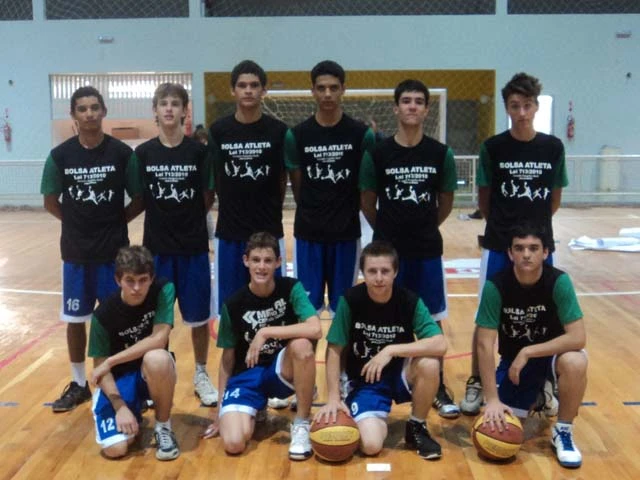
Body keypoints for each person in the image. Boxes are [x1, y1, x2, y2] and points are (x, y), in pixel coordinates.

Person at [461, 73, 569, 416]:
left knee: (546, 315)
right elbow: (485, 199)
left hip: (539, 245)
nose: (521, 113)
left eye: (527, 105)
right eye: (514, 106)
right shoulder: (493, 147)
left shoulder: (553, 147)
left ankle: (544, 382)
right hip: (498, 244)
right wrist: (505, 230)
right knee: (486, 315)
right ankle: (477, 380)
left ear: (536, 107)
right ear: (506, 108)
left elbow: (553, 200)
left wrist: (534, 234)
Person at [359, 79, 459, 419]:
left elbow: (445, 202)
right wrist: (387, 232)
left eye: (418, 101)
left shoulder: (440, 154)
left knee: (432, 318)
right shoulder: (378, 153)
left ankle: (437, 384)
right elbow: (367, 201)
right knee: (385, 317)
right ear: (396, 108)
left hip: (426, 250)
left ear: (427, 109)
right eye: (406, 100)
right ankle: (379, 379)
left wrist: (425, 226)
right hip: (389, 253)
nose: (412, 106)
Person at [40, 86, 142, 413]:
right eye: (82, 109)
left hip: (113, 254)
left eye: (94, 107)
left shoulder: (122, 154)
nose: (89, 114)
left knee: (118, 319)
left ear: (103, 111)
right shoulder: (60, 156)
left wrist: (116, 221)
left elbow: (140, 198)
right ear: (73, 114)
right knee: (75, 319)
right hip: (76, 253)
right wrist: (76, 223)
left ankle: (124, 380)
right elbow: (50, 201)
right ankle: (79, 383)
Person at [315, 241, 446, 460]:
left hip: (400, 374)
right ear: (362, 272)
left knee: (430, 363)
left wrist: (390, 350)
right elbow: (334, 349)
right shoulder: (351, 300)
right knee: (371, 445)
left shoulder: (409, 300)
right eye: (372, 271)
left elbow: (440, 344)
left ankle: (417, 426)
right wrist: (333, 398)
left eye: (385, 271)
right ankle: (372, 416)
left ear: (395, 272)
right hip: (366, 381)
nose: (378, 278)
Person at [130, 83, 218, 407]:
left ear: (184, 110)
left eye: (175, 103)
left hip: (192, 248)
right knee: (158, 320)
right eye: (163, 103)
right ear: (155, 110)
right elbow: (139, 198)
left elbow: (207, 196)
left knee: (198, 318)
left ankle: (201, 373)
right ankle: (158, 374)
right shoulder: (143, 154)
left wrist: (187, 221)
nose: (169, 108)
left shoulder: (199, 153)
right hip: (157, 250)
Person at [202, 232, 322, 460]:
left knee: (302, 345)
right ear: (246, 261)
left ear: (278, 262)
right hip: (246, 376)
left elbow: (316, 328)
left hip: (279, 371)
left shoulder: (291, 288)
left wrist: (265, 332)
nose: (261, 267)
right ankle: (256, 407)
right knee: (234, 443)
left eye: (268, 260)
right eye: (256, 260)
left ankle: (301, 423)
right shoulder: (233, 304)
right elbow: (227, 359)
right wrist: (220, 410)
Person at [476, 224, 587, 468]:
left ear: (545, 252)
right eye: (519, 248)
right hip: (515, 365)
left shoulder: (558, 281)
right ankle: (541, 394)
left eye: (534, 248)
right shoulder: (496, 286)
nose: (526, 254)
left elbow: (578, 337)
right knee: (505, 429)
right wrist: (491, 399)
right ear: (510, 253)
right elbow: (484, 344)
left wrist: (528, 351)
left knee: (575, 361)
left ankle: (563, 430)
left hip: (551, 357)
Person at [286, 60, 375, 318]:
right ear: (312, 91)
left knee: (344, 313)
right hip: (308, 235)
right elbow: (298, 187)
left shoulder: (361, 134)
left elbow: (365, 187)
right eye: (321, 88)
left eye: (333, 88)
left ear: (343, 89)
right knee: (306, 313)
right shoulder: (297, 135)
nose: (327, 94)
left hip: (346, 235)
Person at [208, 60, 288, 317]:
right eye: (242, 85)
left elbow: (281, 178)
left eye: (254, 85)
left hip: (269, 231)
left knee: (273, 309)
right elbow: (217, 177)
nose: (248, 90)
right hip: (230, 232)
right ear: (233, 90)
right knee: (229, 309)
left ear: (263, 90)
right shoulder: (218, 131)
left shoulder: (278, 131)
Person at [88, 245, 180, 461]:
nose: (137, 288)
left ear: (151, 278)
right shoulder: (103, 315)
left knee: (157, 357)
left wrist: (111, 360)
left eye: (143, 280)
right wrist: (119, 406)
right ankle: (130, 409)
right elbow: (100, 369)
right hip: (118, 381)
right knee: (116, 449)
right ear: (118, 280)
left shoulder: (163, 289)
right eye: (130, 280)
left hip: (150, 373)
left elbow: (159, 339)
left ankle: (163, 427)